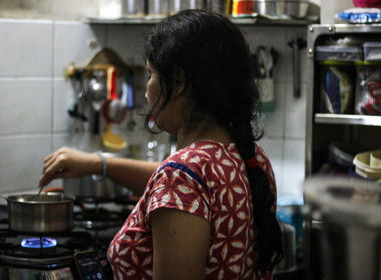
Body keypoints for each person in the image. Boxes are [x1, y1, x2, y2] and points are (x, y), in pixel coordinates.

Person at [39, 9, 282, 280]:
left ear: (178, 83)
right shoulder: (251, 159)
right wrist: (99, 163)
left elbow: (180, 184)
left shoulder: (182, 174)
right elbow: (184, 188)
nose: (146, 90)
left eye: (151, 74)